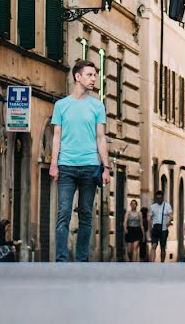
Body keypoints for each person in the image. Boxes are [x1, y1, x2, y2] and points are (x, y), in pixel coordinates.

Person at [50, 59, 111, 263]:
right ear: (78, 77)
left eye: (95, 75)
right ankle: (61, 259)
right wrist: (53, 163)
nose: (94, 79)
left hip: (90, 167)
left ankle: (82, 260)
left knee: (86, 216)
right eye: (90, 75)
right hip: (66, 166)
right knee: (63, 214)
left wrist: (106, 167)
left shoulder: (97, 106)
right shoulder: (61, 105)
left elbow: (100, 137)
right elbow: (56, 136)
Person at [149, 189, 173, 262]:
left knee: (162, 247)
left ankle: (162, 262)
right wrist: (151, 228)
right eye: (157, 198)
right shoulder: (153, 206)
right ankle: (152, 262)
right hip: (155, 229)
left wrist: (168, 222)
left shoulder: (167, 206)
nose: (159, 200)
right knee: (153, 246)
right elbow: (150, 218)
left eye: (160, 198)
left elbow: (171, 216)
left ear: (162, 198)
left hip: (164, 230)